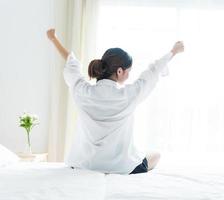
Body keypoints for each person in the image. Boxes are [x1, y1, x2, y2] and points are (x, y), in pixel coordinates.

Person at [46, 28, 184, 174]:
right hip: (122, 166)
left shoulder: (82, 91)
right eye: (128, 71)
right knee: (156, 155)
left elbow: (71, 63)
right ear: (119, 71)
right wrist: (173, 51)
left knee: (144, 153)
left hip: (85, 164)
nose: (129, 74)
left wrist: (54, 39)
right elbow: (153, 71)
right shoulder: (130, 94)